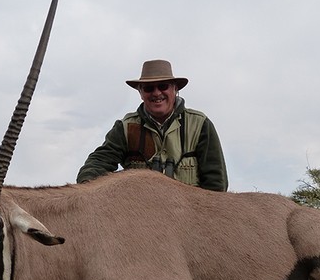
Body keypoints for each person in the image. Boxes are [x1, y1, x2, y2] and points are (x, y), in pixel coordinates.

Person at [77, 59, 228, 191]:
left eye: (163, 86)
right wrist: (86, 188)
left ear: (175, 89)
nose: (156, 93)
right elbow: (98, 162)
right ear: (140, 93)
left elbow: (216, 183)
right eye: (149, 88)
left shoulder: (200, 124)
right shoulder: (125, 127)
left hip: (187, 217)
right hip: (138, 216)